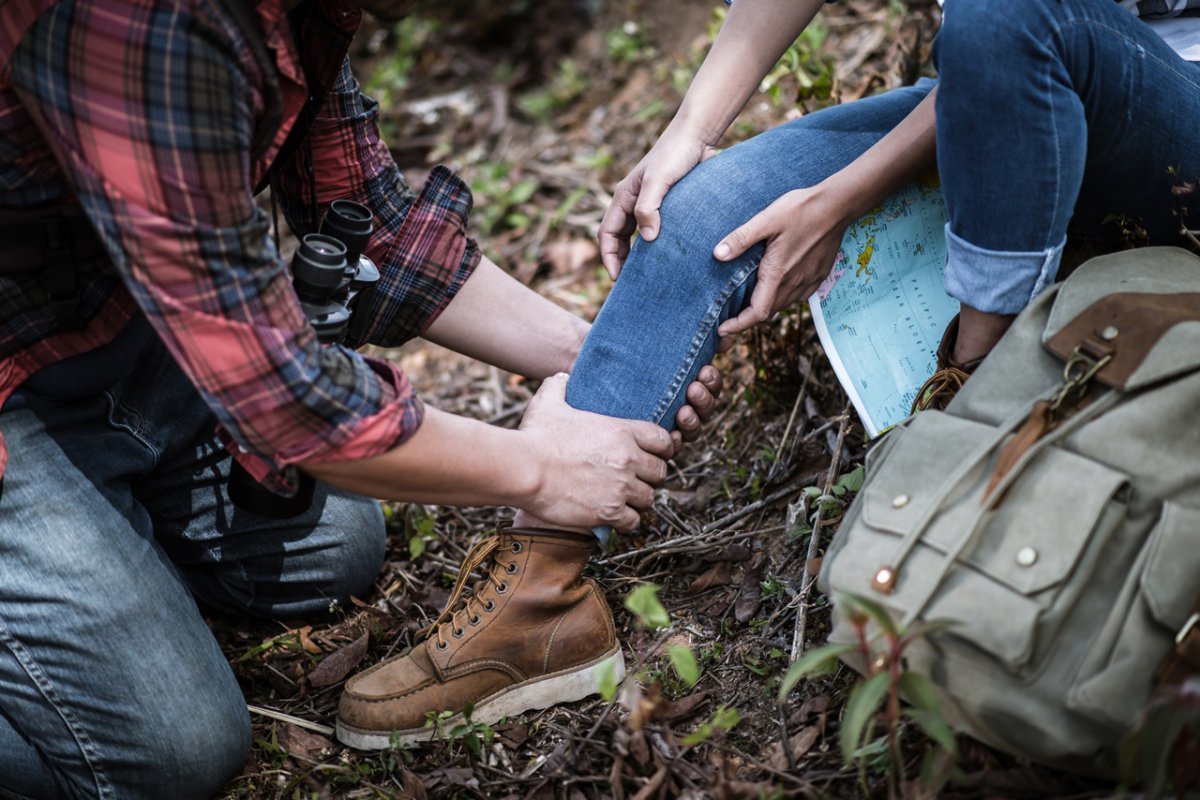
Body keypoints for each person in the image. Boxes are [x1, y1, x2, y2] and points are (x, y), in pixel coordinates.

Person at [334, 0, 1200, 755]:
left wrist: (844, 195)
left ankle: (965, 406)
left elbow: (1016, 25)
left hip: (1167, 106)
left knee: (1006, 12)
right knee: (698, 215)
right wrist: (685, 136)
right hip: (1003, 85)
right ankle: (538, 595)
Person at [0, 0, 726, 796]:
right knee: (177, 751)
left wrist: (602, 360)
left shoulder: (288, 15)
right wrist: (544, 472)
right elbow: (284, 398)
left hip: (122, 329)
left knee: (335, 548)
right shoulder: (148, 29)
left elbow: (376, 227)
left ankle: (98, 560)